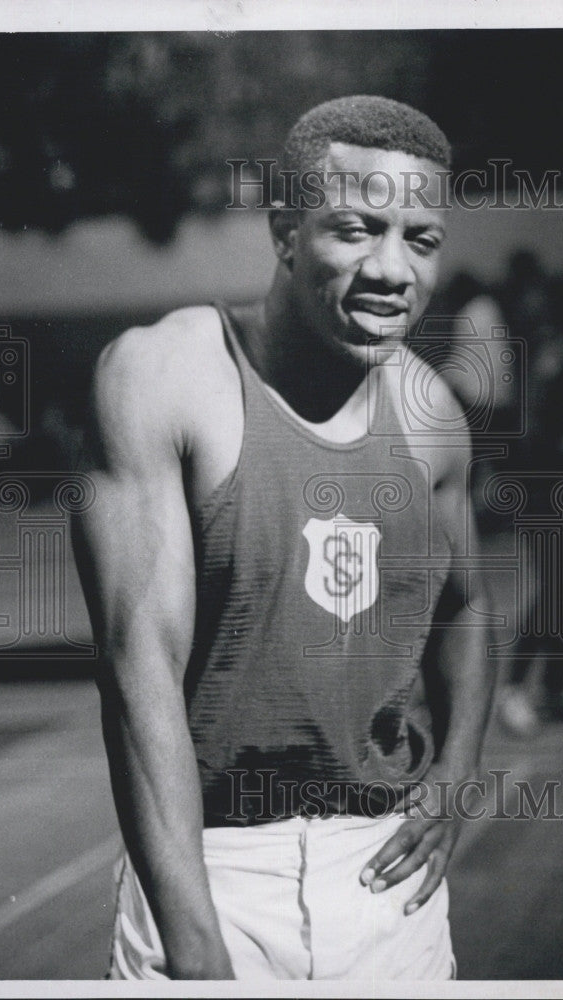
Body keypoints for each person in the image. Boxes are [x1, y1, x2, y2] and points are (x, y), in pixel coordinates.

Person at [73, 95, 494, 981]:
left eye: (420, 238)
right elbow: (135, 663)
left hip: (389, 883)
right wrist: (193, 940)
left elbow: (469, 605)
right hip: (212, 871)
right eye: (356, 229)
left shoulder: (432, 419)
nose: (392, 268)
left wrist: (454, 776)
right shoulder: (166, 376)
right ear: (284, 231)